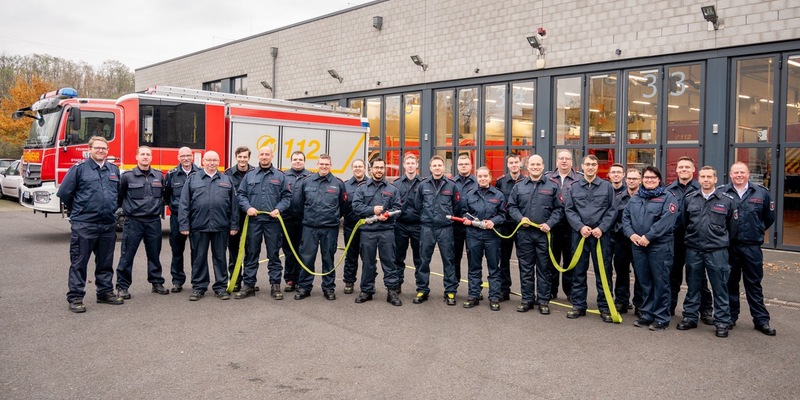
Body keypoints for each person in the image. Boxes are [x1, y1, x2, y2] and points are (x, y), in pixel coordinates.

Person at [58, 136, 124, 312]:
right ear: (90, 149)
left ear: (107, 151)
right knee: (79, 261)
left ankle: (104, 292)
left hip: (107, 224)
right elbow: (64, 193)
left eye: (104, 148)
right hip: (84, 224)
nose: (101, 150)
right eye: (97, 148)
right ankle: (76, 297)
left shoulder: (113, 170)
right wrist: (79, 209)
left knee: (105, 261)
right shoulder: (79, 169)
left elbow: (117, 195)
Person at [677, 166, 734, 338]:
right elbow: (684, 223)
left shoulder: (726, 200)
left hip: (717, 251)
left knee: (720, 287)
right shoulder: (690, 199)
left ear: (716, 179)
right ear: (698, 178)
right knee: (693, 286)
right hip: (694, 249)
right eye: (703, 176)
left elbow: (732, 227)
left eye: (709, 176)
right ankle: (690, 317)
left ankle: (722, 322)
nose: (706, 180)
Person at [723, 162, 776, 336]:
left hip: (752, 247)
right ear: (730, 175)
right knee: (730, 283)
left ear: (748, 174)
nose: (739, 175)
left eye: (742, 172)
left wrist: (757, 231)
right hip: (730, 247)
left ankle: (761, 320)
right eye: (736, 172)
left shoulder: (761, 193)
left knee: (753, 284)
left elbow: (768, 218)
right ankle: (730, 317)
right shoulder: (722, 192)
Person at [178, 151, 239, 301]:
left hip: (221, 226)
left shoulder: (227, 180)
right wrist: (184, 225)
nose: (212, 163)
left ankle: (220, 287)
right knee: (199, 258)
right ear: (203, 161)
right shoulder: (193, 179)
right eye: (209, 160)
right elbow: (184, 204)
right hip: (199, 226)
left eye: (215, 160)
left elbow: (234, 206)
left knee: (220, 258)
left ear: (219, 162)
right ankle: (199, 287)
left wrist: (234, 225)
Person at [622, 166, 678, 331]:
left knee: (660, 282)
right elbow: (626, 217)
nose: (649, 180)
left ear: (659, 179)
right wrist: (631, 234)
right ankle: (646, 314)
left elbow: (666, 221)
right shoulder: (636, 197)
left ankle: (661, 318)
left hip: (659, 246)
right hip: (638, 246)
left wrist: (648, 237)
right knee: (644, 282)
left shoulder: (668, 197)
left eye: (653, 178)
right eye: (646, 177)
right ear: (642, 179)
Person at [563, 155, 617, 322]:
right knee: (578, 272)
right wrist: (580, 227)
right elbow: (569, 210)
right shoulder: (574, 187)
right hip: (580, 236)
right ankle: (579, 305)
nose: (591, 167)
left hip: (601, 237)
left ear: (597, 167)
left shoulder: (607, 187)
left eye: (594, 164)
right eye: (588, 164)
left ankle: (605, 307)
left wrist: (601, 228)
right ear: (582, 166)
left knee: (604, 272)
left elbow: (612, 210)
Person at [508, 154, 563, 315]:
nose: (535, 167)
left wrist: (549, 224)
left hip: (543, 234)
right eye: (532, 164)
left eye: (538, 164)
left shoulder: (553, 186)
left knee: (544, 269)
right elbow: (511, 206)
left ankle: (543, 300)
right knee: (525, 268)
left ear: (543, 166)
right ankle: (527, 300)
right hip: (524, 234)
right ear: (527, 166)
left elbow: (559, 209)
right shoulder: (519, 186)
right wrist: (520, 218)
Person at [235, 146, 291, 300]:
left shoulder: (280, 176)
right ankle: (249, 285)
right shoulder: (249, 176)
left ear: (272, 156)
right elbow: (241, 195)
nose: (264, 157)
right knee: (251, 254)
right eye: (262, 154)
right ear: (258, 156)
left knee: (274, 255)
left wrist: (278, 209)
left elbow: (287, 197)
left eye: (267, 154)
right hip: (254, 222)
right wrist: (248, 207)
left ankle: (275, 285)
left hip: (273, 223)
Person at [114, 146, 169, 299]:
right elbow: (120, 197)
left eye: (148, 154)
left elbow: (164, 196)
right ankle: (122, 286)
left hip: (153, 221)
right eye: (142, 154)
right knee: (127, 255)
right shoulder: (127, 176)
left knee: (154, 255)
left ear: (151, 157)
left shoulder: (158, 175)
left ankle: (156, 282)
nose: (145, 157)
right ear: (136, 157)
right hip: (133, 222)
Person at [292, 154, 346, 300]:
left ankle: (328, 288)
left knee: (328, 258)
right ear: (317, 164)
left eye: (327, 164)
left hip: (330, 228)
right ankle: (304, 287)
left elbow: (342, 206)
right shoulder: (307, 182)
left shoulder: (338, 184)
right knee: (307, 258)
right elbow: (299, 204)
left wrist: (333, 218)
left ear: (331, 166)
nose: (324, 166)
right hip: (310, 227)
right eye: (321, 164)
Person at [667, 156, 713, 323]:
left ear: (693, 170)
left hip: (696, 241)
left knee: (699, 278)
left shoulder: (701, 189)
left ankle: (706, 310)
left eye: (687, 167)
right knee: (673, 277)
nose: (684, 169)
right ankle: (669, 308)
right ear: (677, 170)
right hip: (675, 240)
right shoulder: (669, 190)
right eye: (681, 167)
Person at [351, 158, 403, 305]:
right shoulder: (362, 188)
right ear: (371, 169)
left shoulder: (392, 189)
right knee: (368, 262)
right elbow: (356, 207)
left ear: (384, 169)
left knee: (389, 262)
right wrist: (372, 210)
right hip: (368, 231)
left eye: (381, 167)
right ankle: (367, 291)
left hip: (387, 231)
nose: (379, 170)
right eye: (376, 167)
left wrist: (387, 214)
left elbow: (398, 209)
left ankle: (392, 291)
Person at [413, 155, 460, 305]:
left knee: (449, 260)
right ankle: (422, 290)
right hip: (427, 228)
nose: (437, 168)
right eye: (435, 165)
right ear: (430, 167)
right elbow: (417, 205)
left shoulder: (452, 185)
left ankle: (450, 292)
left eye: (440, 165)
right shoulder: (423, 185)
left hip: (445, 228)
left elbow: (456, 206)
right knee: (424, 260)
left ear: (443, 167)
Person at [459, 167, 506, 310]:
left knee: (494, 268)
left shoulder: (498, 195)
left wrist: (494, 221)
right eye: (480, 176)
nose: (483, 178)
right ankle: (473, 296)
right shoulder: (469, 194)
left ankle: (494, 298)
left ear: (490, 177)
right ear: (477, 178)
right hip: (474, 235)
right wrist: (466, 219)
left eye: (485, 176)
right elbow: (464, 212)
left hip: (492, 236)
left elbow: (503, 215)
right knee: (474, 267)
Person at [545, 150, 582, 301]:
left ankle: (570, 291)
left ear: (572, 162)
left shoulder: (579, 179)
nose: (564, 161)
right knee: (550, 260)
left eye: (567, 159)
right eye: (561, 158)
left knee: (570, 260)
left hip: (571, 226)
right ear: (557, 161)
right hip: (551, 226)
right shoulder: (547, 177)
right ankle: (551, 290)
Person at [163, 147, 201, 292]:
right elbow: (166, 196)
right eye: (183, 156)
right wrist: (175, 208)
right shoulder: (172, 175)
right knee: (177, 251)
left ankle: (196, 281)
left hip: (196, 218)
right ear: (178, 157)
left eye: (188, 155)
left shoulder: (199, 173)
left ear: (192, 156)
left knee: (196, 251)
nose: (186, 158)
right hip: (177, 218)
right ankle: (177, 281)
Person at [611, 168, 643, 315]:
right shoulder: (618, 198)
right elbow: (612, 219)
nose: (631, 181)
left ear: (640, 180)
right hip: (621, 241)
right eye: (629, 178)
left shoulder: (645, 198)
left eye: (634, 179)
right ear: (626, 180)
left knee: (640, 274)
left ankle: (639, 304)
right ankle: (621, 302)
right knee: (621, 273)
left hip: (639, 242)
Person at [494, 153, 525, 301]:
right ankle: (504, 290)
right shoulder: (501, 182)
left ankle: (526, 292)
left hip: (522, 226)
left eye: (516, 162)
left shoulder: (526, 181)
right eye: (511, 162)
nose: (514, 165)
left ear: (520, 164)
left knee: (524, 260)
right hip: (505, 226)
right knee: (503, 259)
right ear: (508, 165)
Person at [281, 151, 312, 292]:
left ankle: (301, 279)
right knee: (289, 251)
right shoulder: (283, 176)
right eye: (295, 159)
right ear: (291, 161)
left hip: (304, 221)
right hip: (286, 220)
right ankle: (290, 279)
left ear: (304, 161)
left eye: (300, 159)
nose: (297, 161)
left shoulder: (311, 177)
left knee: (303, 251)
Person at [224, 146, 254, 291]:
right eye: (240, 157)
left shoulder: (255, 173)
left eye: (245, 157)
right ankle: (235, 280)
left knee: (250, 251)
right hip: (233, 219)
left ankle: (249, 282)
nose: (242, 160)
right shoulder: (227, 174)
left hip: (251, 218)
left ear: (249, 158)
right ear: (236, 157)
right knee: (234, 251)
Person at [393, 153, 424, 293]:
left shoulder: (423, 183)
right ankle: (397, 284)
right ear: (404, 165)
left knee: (419, 258)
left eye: (413, 163)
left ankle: (421, 287)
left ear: (417, 165)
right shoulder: (397, 183)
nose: (411, 165)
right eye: (408, 163)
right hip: (401, 225)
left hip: (418, 225)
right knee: (398, 257)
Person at [342, 159, 367, 295]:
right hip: (350, 227)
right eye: (355, 166)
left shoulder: (371, 184)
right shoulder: (345, 186)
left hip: (368, 228)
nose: (358, 169)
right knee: (351, 256)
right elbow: (341, 205)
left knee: (368, 258)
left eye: (360, 166)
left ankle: (368, 283)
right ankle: (349, 282)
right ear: (352, 168)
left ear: (364, 168)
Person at [452, 154, 477, 286]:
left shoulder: (477, 182)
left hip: (472, 226)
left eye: (466, 164)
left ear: (471, 165)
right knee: (455, 258)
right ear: (457, 166)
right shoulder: (451, 183)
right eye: (461, 164)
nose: (463, 166)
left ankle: (474, 289)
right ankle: (453, 287)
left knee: (473, 259)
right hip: (456, 226)